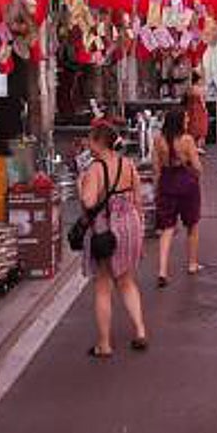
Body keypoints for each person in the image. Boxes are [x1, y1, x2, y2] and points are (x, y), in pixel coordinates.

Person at [81, 119, 147, 357]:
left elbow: (88, 202)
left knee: (103, 286)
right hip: (130, 224)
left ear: (99, 142)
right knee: (127, 281)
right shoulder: (128, 164)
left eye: (90, 139)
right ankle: (140, 330)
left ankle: (104, 344)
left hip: (106, 230)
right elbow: (139, 199)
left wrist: (82, 185)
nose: (87, 143)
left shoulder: (95, 169)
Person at [152, 109, 203, 287]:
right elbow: (197, 166)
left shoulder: (158, 140)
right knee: (192, 225)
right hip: (186, 183)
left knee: (167, 228)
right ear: (180, 121)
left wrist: (157, 189)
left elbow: (156, 168)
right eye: (186, 118)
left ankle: (162, 270)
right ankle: (192, 263)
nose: (188, 120)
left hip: (167, 182)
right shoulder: (187, 140)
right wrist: (196, 174)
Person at [183, 71, 209, 153]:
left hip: (190, 109)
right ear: (198, 80)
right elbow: (202, 101)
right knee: (201, 127)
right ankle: (198, 146)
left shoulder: (189, 89)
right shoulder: (199, 89)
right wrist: (205, 110)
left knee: (192, 126)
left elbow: (185, 99)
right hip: (199, 109)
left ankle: (192, 145)